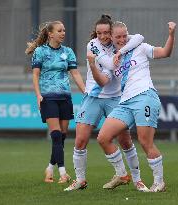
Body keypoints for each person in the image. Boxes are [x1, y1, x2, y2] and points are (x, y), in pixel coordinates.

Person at [64, 15, 149, 192]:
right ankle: (80, 179)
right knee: (80, 140)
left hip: (116, 98)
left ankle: (137, 180)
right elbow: (110, 64)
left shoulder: (119, 42)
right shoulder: (93, 45)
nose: (102, 36)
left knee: (126, 141)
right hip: (93, 97)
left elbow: (140, 37)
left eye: (106, 33)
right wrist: (121, 52)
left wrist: (120, 50)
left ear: (112, 32)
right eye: (99, 33)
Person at [93, 21, 176, 192]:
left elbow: (165, 53)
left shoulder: (140, 47)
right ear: (111, 37)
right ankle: (122, 174)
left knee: (145, 142)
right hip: (125, 103)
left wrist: (171, 35)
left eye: (125, 35)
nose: (122, 39)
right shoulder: (111, 59)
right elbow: (103, 80)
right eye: (118, 37)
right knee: (103, 137)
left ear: (128, 34)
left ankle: (159, 182)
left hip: (145, 96)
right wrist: (92, 65)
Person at [25, 21, 85, 184]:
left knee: (61, 137)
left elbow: (75, 73)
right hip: (48, 97)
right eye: (59, 30)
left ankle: (50, 168)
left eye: (64, 30)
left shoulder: (68, 52)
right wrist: (38, 95)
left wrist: (85, 91)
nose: (63, 33)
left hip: (65, 97)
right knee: (56, 135)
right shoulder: (40, 51)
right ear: (50, 34)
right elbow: (36, 75)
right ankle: (63, 172)